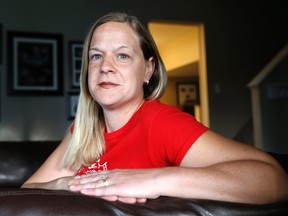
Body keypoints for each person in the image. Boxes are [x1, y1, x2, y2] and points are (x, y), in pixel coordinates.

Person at [22, 11, 288, 204]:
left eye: (122, 55)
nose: (105, 66)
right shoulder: (81, 132)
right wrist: (66, 184)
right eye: (96, 56)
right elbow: (26, 192)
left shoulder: (160, 122)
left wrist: (154, 179)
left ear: (148, 69)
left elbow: (273, 179)